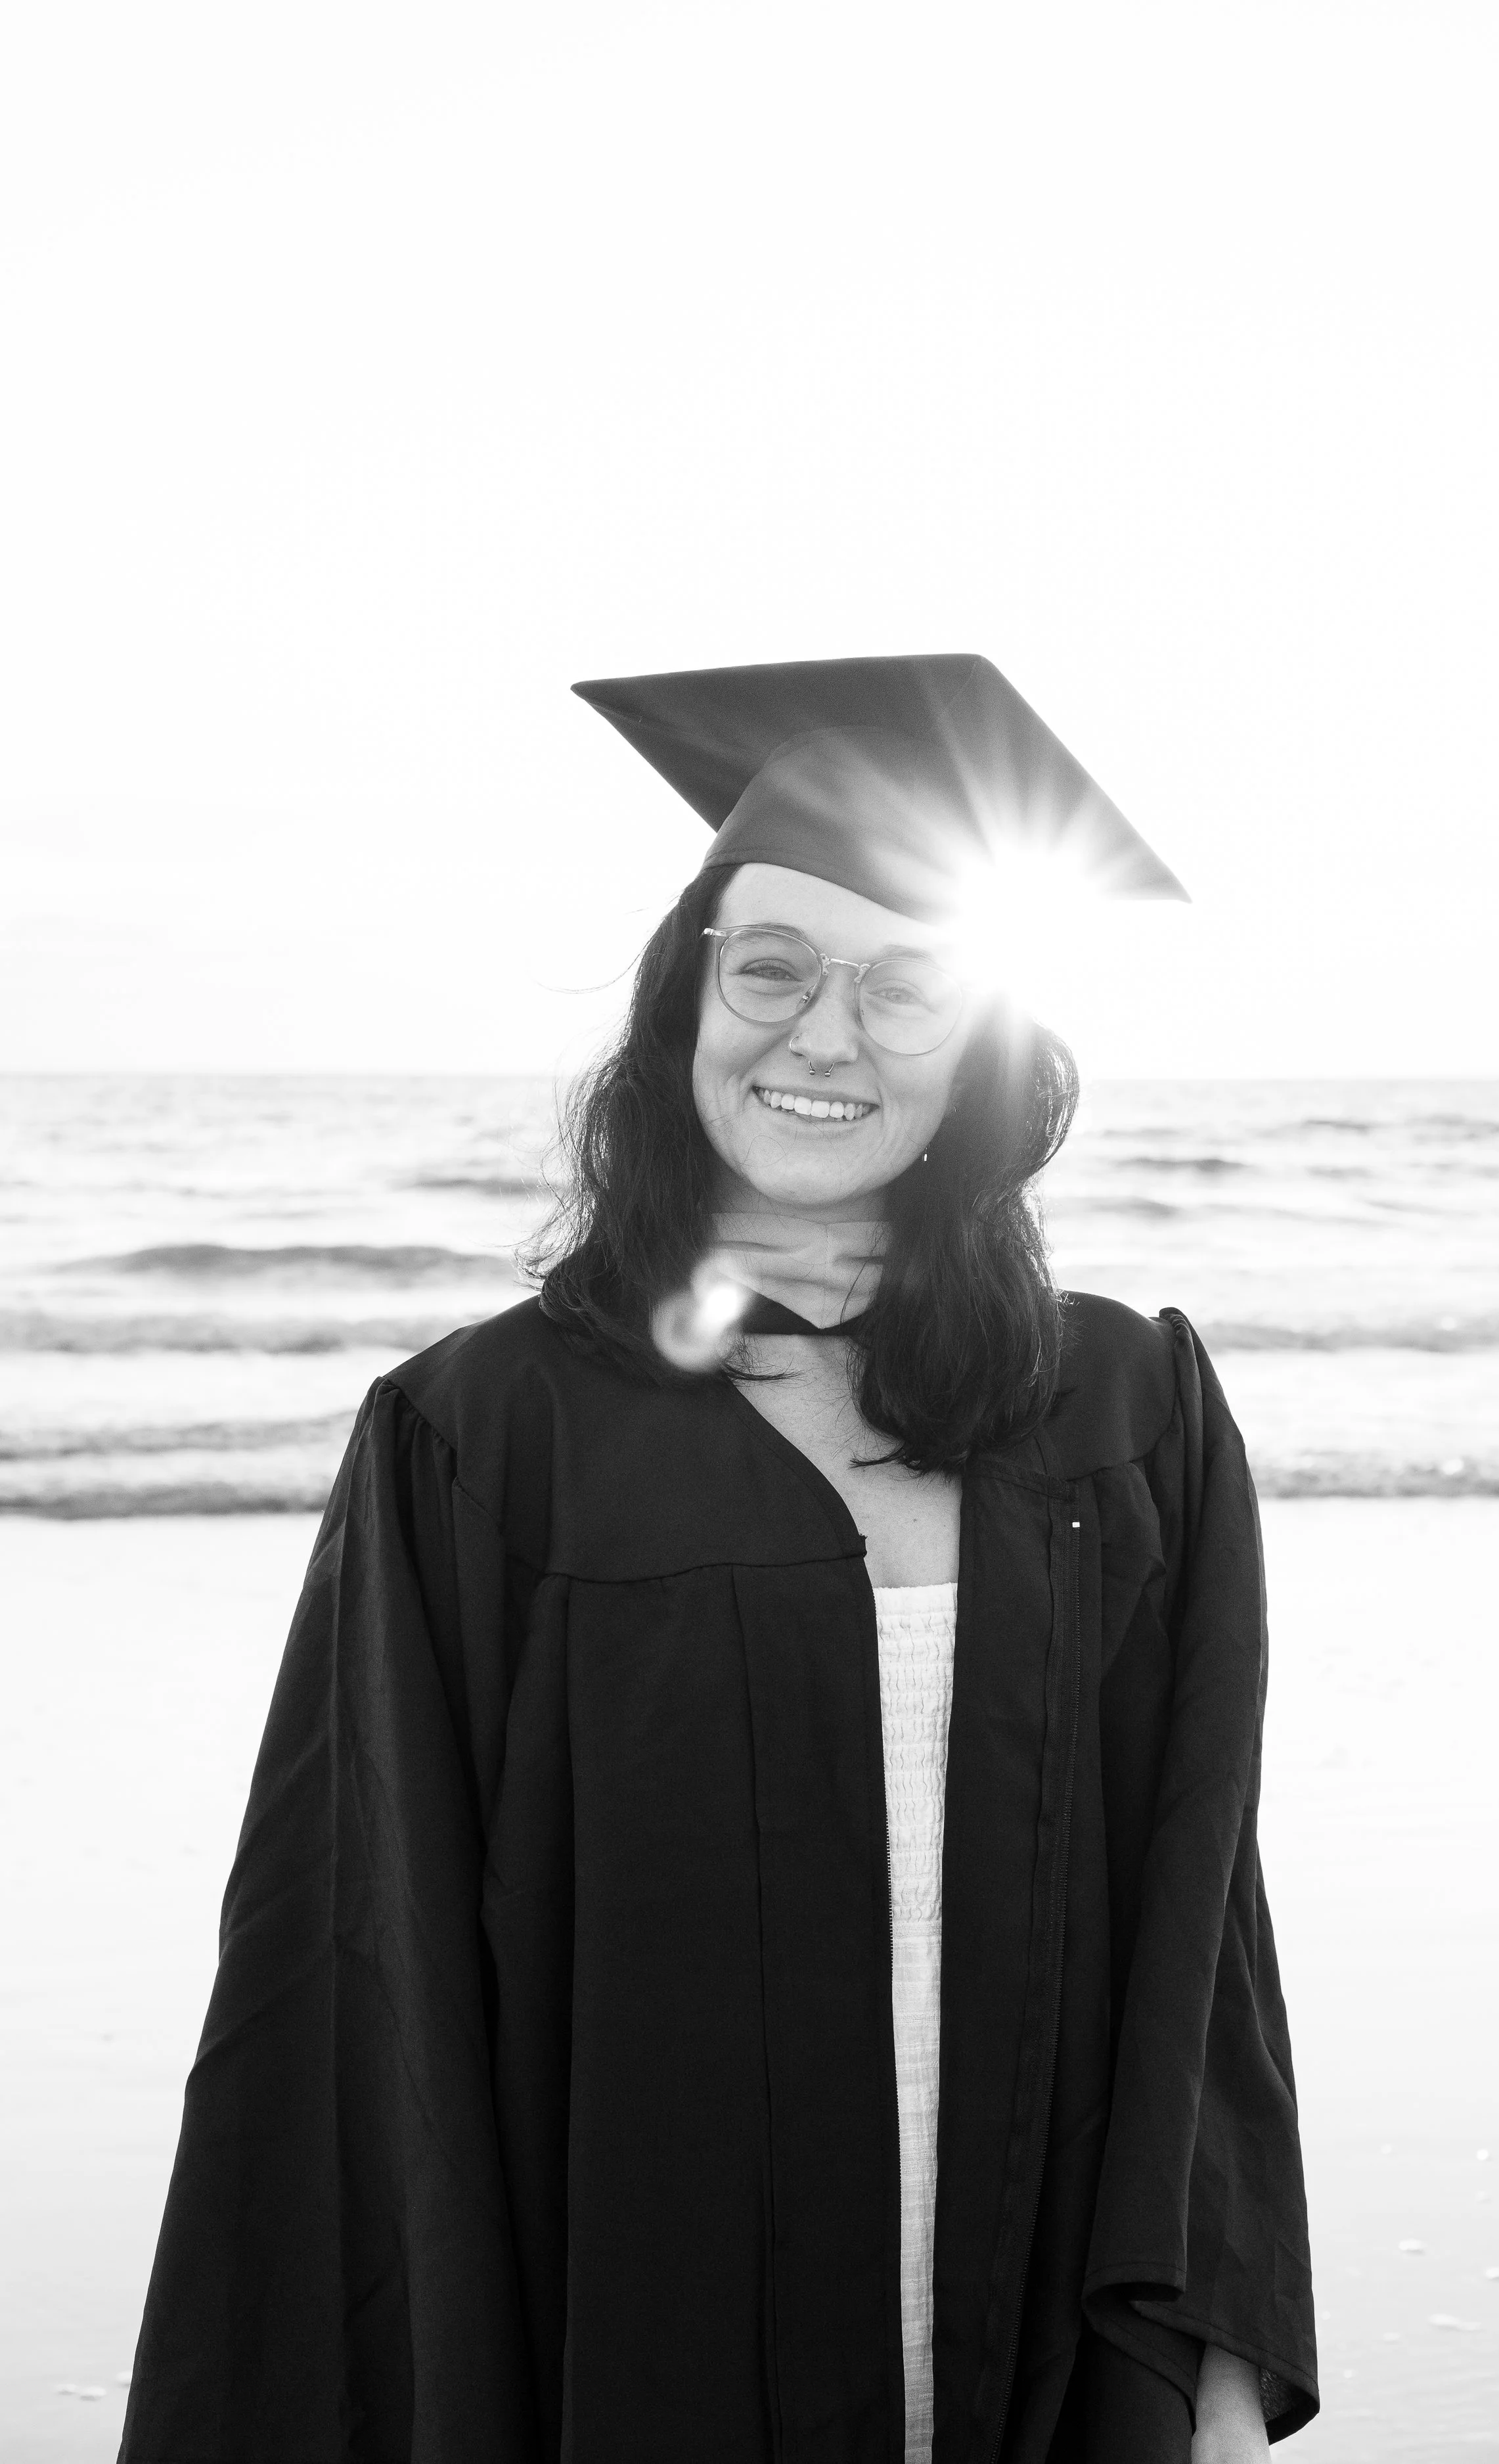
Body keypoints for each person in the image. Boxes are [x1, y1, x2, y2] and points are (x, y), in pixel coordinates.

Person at [119, 656, 1318, 2463]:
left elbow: (1201, 1930)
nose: (827, 1035)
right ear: (683, 999)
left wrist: (1212, 2366)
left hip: (1045, 2359)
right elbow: (354, 1970)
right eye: (771, 966)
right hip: (617, 2354)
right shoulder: (484, 1437)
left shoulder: (1123, 1411)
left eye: (905, 986)